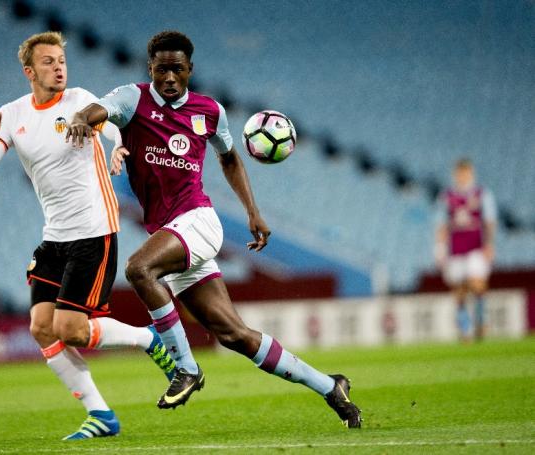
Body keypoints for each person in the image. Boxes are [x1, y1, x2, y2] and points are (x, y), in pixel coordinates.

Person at [66, 30, 361, 428]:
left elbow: (230, 159)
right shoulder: (133, 99)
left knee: (139, 269)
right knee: (234, 335)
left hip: (198, 221)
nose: (169, 77)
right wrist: (82, 120)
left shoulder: (210, 111)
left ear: (190, 70)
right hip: (172, 233)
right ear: (150, 67)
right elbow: (98, 110)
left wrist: (253, 213)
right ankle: (331, 386)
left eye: (177, 69)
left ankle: (185, 368)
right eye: (161, 69)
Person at [0, 31, 176, 440]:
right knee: (41, 327)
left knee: (71, 330)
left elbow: (113, 125)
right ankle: (101, 415)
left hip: (93, 231)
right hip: (54, 237)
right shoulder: (13, 115)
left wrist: (118, 148)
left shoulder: (79, 100)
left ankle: (146, 338)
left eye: (61, 59)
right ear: (30, 72)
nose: (58, 66)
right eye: (48, 62)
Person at [435, 158, 497, 341]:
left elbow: (489, 221)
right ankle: (465, 326)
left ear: (471, 173)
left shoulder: (482, 194)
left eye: (466, 172)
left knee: (476, 281)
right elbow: (441, 225)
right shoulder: (446, 197)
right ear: (455, 174)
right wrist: (439, 248)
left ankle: (481, 318)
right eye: (460, 173)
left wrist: (489, 244)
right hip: (455, 249)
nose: (463, 176)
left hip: (475, 247)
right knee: (459, 289)